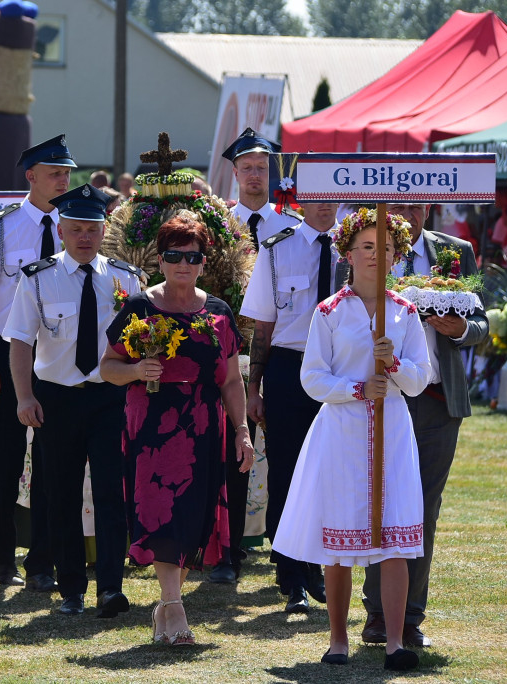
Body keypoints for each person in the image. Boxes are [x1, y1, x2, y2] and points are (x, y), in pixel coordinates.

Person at [273, 209, 428, 671]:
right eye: (365, 246)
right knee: (340, 538)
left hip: (393, 429)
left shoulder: (405, 312)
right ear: (347, 253)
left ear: (397, 254)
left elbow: (422, 378)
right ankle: (337, 639)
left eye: (384, 247)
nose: (374, 256)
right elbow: (312, 377)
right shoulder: (329, 312)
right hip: (342, 430)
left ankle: (396, 641)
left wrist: (394, 365)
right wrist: (357, 389)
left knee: (396, 537)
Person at [101, 210, 253, 646]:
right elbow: (107, 367)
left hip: (205, 428)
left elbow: (229, 380)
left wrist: (241, 430)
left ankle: (167, 604)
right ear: (160, 259)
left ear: (204, 261)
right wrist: (135, 371)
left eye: (193, 257)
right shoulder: (139, 307)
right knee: (160, 516)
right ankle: (175, 608)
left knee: (194, 519)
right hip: (152, 428)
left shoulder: (220, 313)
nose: (184, 264)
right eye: (174, 255)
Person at [4, 184, 143, 617]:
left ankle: (110, 589)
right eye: (76, 229)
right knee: (60, 495)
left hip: (110, 397)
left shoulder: (127, 278)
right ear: (61, 231)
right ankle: (71, 590)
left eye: (93, 229)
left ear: (104, 233)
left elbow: (141, 341)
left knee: (111, 494)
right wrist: (24, 396)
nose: (85, 237)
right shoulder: (37, 278)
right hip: (56, 399)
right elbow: (21, 342)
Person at [360, 202, 487, 649]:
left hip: (437, 402)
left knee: (423, 510)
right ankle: (377, 615)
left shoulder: (457, 251)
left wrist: (458, 329)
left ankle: (410, 617)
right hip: (388, 397)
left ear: (429, 208)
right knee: (381, 503)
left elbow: (481, 324)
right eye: (398, 207)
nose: (408, 215)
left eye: (416, 207)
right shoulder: (372, 250)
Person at [0, 134, 75, 590]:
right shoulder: (3, 227)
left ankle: (43, 562)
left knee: (52, 464)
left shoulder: (77, 223)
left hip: (56, 355)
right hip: (5, 353)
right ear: (31, 177)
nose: (64, 180)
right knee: (5, 463)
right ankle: (2, 556)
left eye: (68, 173)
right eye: (55, 174)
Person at [210, 127, 300, 585]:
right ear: (234, 172)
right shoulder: (215, 227)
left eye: (262, 168)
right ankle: (225, 551)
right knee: (230, 455)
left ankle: (287, 550)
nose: (254, 175)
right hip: (225, 357)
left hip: (276, 357)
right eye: (246, 167)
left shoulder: (293, 230)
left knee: (283, 457)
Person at [240, 199, 339, 613]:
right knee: (286, 470)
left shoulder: (353, 247)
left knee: (331, 471)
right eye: (315, 199)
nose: (324, 207)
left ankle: (320, 567)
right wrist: (254, 388)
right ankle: (290, 573)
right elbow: (263, 325)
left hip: (338, 369)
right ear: (300, 200)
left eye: (331, 198)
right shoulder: (277, 248)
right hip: (288, 367)